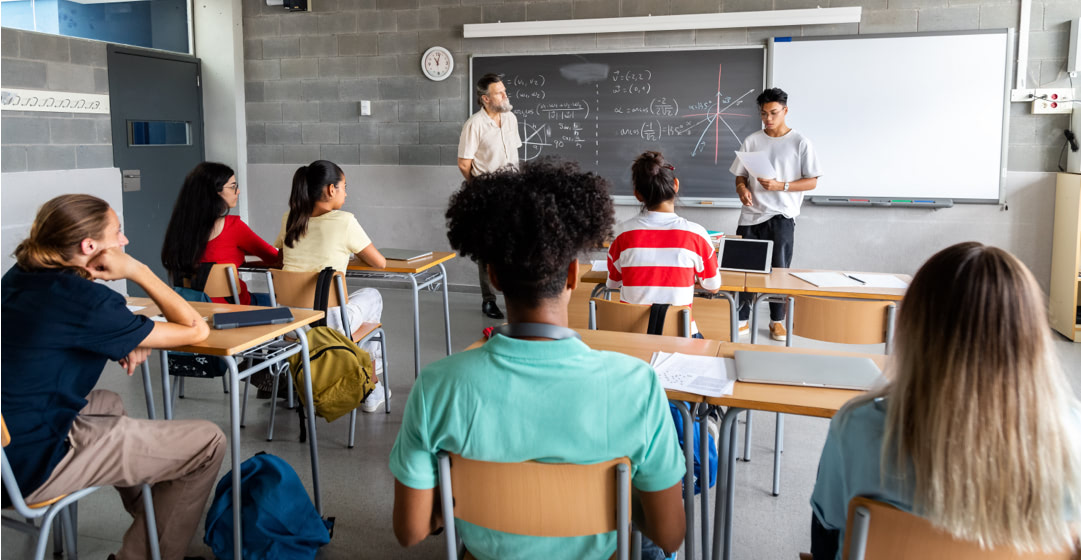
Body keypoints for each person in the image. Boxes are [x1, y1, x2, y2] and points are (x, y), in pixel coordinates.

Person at [390, 159, 686, 560]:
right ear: (572, 275)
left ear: (493, 276)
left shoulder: (438, 384)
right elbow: (670, 535)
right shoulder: (637, 384)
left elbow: (410, 531)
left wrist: (450, 504)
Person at [809, 242, 1081, 559]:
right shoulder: (1072, 433)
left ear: (913, 328)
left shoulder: (858, 427)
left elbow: (826, 541)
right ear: (1033, 335)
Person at [1, 194, 226, 560]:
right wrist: (139, 271)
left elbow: (71, 330)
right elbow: (196, 331)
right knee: (209, 442)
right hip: (28, 466)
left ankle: (154, 521)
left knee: (110, 402)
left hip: (7, 443)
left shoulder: (19, 277)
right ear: (90, 246)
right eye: (117, 233)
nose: (124, 242)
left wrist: (127, 334)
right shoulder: (88, 302)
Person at [274, 159, 389, 413]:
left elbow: (282, 260)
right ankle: (371, 387)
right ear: (330, 190)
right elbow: (379, 263)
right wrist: (351, 254)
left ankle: (363, 383)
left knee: (354, 308)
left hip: (291, 324)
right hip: (332, 324)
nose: (346, 192)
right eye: (344, 186)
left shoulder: (289, 218)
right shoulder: (345, 221)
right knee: (372, 296)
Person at [729, 87, 822, 341]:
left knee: (779, 271)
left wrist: (782, 186)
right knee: (743, 271)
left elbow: (812, 182)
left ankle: (776, 321)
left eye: (773, 113)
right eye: (763, 114)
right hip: (750, 216)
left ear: (785, 111)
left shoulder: (800, 142)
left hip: (782, 217)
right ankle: (742, 318)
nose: (768, 119)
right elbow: (741, 174)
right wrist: (741, 188)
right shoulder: (752, 140)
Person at [607, 150, 722, 337]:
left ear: (637, 195)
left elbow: (613, 283)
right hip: (679, 334)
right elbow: (713, 286)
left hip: (631, 335)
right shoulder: (697, 234)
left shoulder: (620, 234)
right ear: (675, 185)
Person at [162, 162, 280, 305]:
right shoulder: (233, 227)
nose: (238, 191)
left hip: (194, 309)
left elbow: (210, 259)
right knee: (273, 300)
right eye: (232, 187)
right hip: (234, 309)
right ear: (214, 192)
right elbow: (274, 257)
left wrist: (239, 258)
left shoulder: (179, 229)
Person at [457, 72, 523, 320]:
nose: (505, 95)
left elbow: (513, 156)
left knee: (513, 248)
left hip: (513, 195)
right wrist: (479, 188)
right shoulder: (474, 125)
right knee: (488, 250)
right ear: (485, 99)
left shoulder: (511, 119)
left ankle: (514, 297)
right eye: (500, 92)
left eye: (505, 90)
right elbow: (464, 163)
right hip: (487, 196)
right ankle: (488, 300)